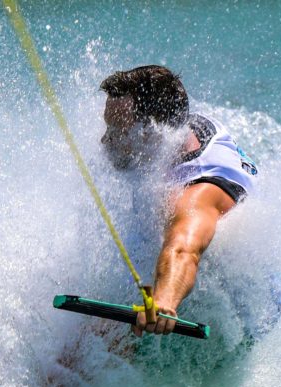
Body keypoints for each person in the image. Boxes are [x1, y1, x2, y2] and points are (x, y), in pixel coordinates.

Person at [98, 65, 258, 336]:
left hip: (235, 318)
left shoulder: (198, 193)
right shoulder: (183, 128)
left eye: (117, 131)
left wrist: (163, 302)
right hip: (186, 279)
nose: (105, 141)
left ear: (152, 133)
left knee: (97, 344)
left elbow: (183, 249)